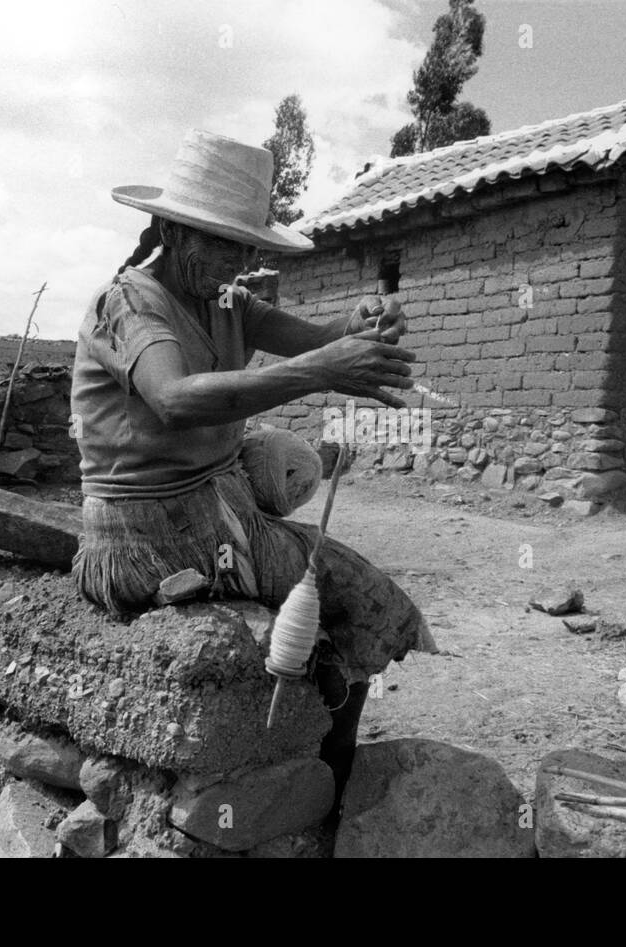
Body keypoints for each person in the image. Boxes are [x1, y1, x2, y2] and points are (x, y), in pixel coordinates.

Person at [70, 130, 436, 803]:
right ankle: (310, 787)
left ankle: (328, 787)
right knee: (333, 612)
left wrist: (361, 322)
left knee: (372, 603)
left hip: (218, 507)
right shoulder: (130, 302)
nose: (235, 261)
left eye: (245, 246)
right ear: (173, 230)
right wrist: (321, 372)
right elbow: (174, 397)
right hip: (144, 531)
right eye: (220, 242)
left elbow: (319, 339)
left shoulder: (228, 302)